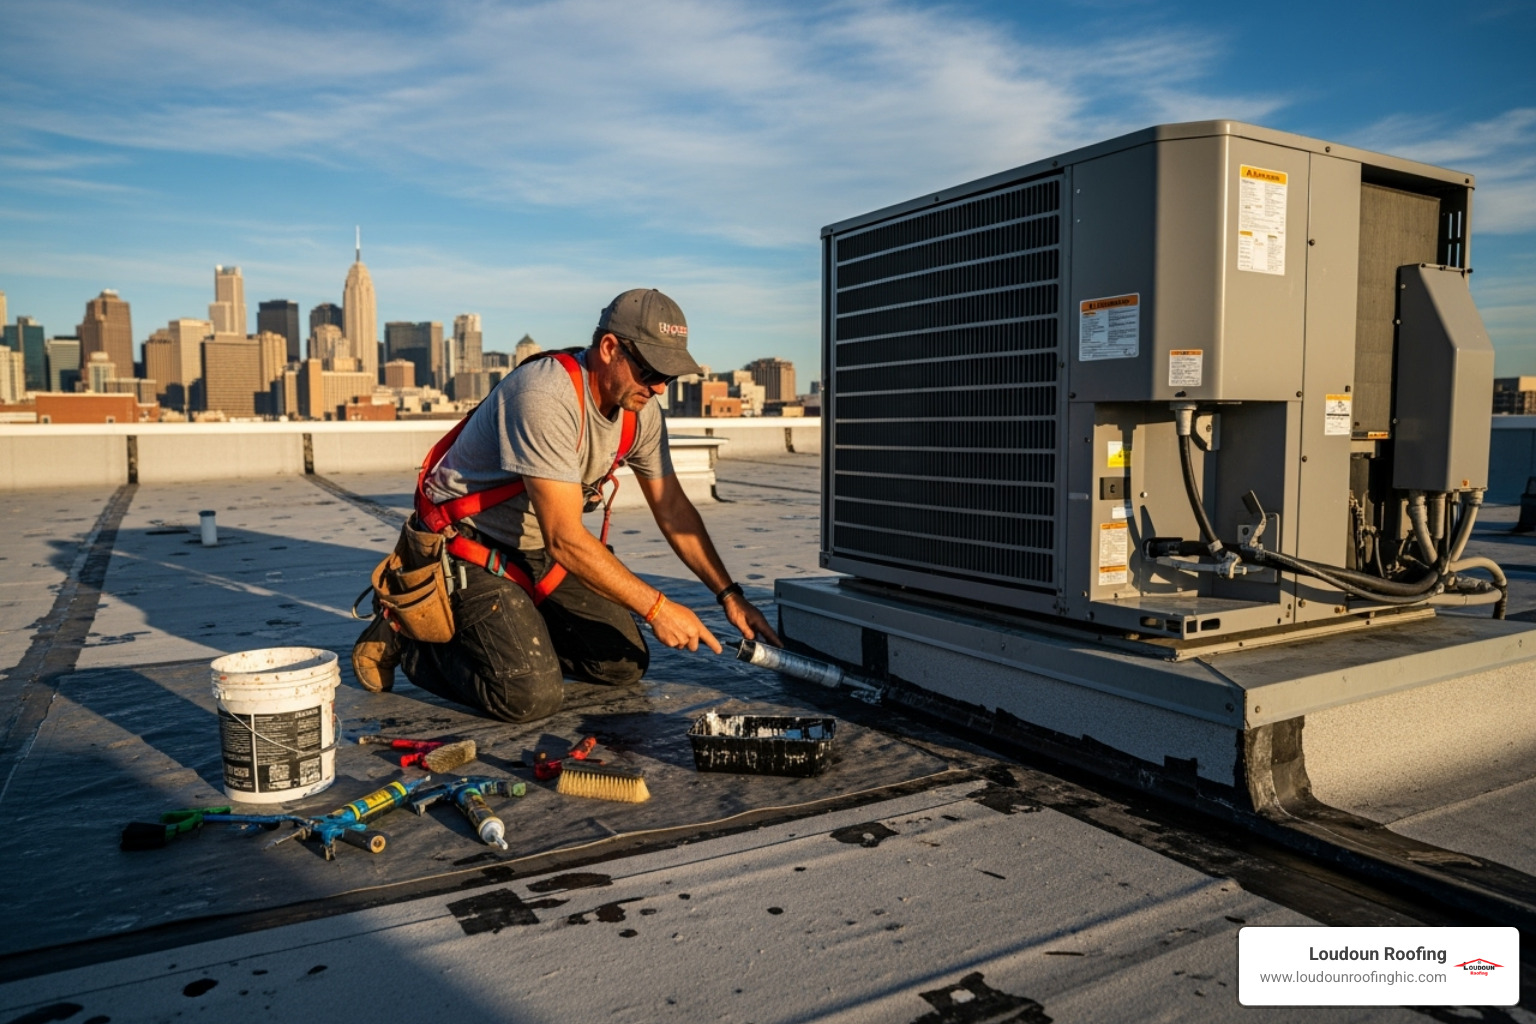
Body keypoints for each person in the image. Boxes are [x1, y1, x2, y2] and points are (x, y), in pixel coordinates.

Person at [352, 288, 780, 722]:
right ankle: (405, 636)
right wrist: (657, 608)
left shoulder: (639, 409)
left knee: (623, 665)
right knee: (527, 695)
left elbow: (672, 508)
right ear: (610, 348)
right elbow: (565, 539)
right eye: (651, 372)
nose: (660, 389)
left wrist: (729, 594)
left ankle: (512, 631)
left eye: (670, 377)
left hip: (536, 547)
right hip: (468, 545)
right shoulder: (545, 395)